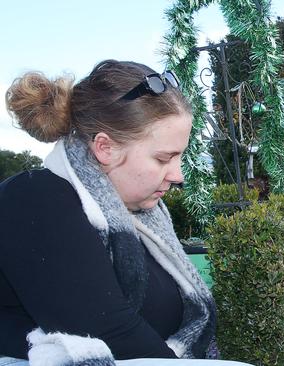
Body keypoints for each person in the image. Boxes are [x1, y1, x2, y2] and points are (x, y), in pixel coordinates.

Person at [0, 60, 250, 366]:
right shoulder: (34, 199)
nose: (178, 174)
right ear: (105, 147)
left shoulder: (139, 216)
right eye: (163, 159)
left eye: (179, 156)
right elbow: (108, 332)